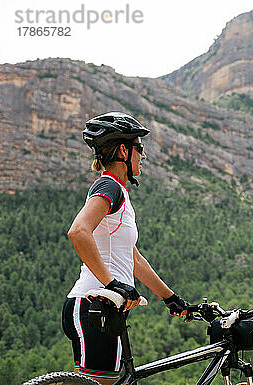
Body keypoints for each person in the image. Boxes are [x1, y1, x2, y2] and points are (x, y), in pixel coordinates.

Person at [62, 112, 192, 385]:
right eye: (139, 149)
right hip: (94, 304)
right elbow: (78, 231)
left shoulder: (118, 191)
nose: (143, 157)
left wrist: (170, 298)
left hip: (104, 308)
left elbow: (133, 258)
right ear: (123, 150)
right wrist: (112, 284)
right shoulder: (109, 186)